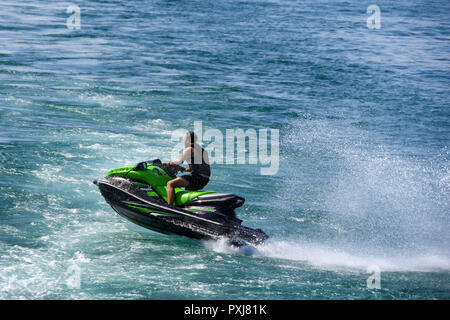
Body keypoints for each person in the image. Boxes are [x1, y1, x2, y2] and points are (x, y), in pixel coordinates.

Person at [164, 131, 210, 206]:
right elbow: (202, 167)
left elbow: (179, 161)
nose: (184, 141)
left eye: (184, 139)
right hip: (205, 180)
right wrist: (186, 169)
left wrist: (169, 163)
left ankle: (170, 207)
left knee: (170, 184)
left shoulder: (189, 149)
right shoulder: (202, 150)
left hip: (196, 178)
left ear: (188, 140)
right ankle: (187, 207)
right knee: (188, 190)